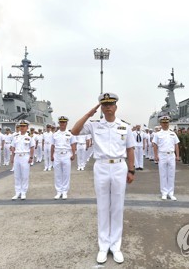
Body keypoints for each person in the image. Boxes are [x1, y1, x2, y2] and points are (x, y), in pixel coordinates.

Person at [71, 92, 135, 264]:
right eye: (104, 104)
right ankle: (103, 245)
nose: (108, 107)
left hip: (119, 167)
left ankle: (115, 246)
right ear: (101, 107)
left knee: (117, 206)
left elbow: (130, 149)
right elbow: (74, 131)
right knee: (102, 206)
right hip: (101, 166)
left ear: (116, 107)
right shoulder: (94, 125)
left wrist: (132, 170)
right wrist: (88, 114)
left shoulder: (124, 126)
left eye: (110, 104)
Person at [152, 115, 180, 200]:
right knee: (163, 175)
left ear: (169, 123)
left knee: (171, 175)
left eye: (167, 123)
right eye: (163, 123)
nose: (165, 124)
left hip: (171, 155)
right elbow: (155, 145)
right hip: (162, 155)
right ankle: (164, 192)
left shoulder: (173, 133)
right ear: (160, 123)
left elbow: (176, 145)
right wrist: (156, 155)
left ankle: (171, 193)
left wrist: (178, 155)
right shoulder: (157, 134)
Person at [50, 116, 76, 200]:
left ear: (66, 123)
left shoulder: (70, 134)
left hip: (66, 155)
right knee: (57, 174)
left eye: (64, 122)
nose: (62, 124)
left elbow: (73, 145)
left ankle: (64, 191)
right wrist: (51, 155)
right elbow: (52, 145)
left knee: (66, 174)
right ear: (59, 123)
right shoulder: (55, 134)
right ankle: (58, 191)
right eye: (61, 122)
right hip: (57, 155)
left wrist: (73, 154)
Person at [10, 120, 35, 200]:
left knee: (24, 175)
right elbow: (13, 147)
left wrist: (31, 157)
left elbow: (32, 148)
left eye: (24, 126)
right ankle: (17, 192)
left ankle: (23, 192)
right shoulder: (16, 137)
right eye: (21, 126)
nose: (22, 128)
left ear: (27, 127)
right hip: (17, 156)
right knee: (17, 175)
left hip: (25, 156)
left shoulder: (29, 137)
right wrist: (12, 157)